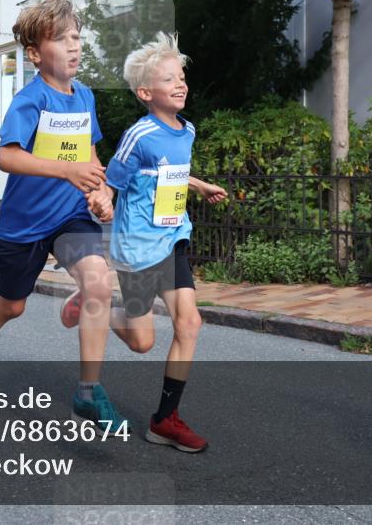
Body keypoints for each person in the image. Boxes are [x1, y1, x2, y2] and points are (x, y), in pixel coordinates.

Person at [0, 0, 126, 433]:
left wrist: (101, 192)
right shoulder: (30, 101)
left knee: (99, 282)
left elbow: (89, 155)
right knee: (12, 306)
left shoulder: (84, 97)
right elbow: (7, 158)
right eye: (62, 39)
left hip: (70, 218)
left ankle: (88, 390)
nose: (75, 46)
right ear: (34, 54)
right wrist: (67, 170)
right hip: (24, 224)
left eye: (77, 37)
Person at [63, 33, 227, 452]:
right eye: (170, 78)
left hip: (173, 236)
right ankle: (94, 306)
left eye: (182, 76)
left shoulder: (186, 130)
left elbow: (168, 172)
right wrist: (101, 199)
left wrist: (199, 184)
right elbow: (114, 181)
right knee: (142, 341)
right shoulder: (139, 135)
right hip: (137, 246)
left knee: (189, 323)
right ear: (145, 92)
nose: (180, 84)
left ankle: (164, 420)